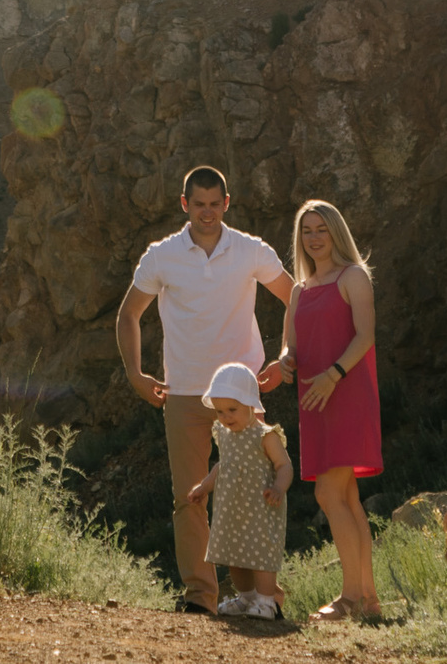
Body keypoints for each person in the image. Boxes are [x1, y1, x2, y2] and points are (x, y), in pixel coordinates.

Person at [116, 164, 292, 616]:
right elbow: (128, 314)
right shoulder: (161, 255)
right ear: (184, 205)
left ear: (226, 204)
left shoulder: (251, 250)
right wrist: (136, 374)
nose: (208, 213)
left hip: (241, 395)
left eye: (216, 204)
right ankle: (200, 599)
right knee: (189, 496)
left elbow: (297, 298)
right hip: (184, 392)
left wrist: (285, 357)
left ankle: (258, 599)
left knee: (250, 494)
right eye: (199, 205)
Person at [278, 198, 381, 622]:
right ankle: (369, 601)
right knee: (348, 499)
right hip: (313, 401)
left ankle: (350, 599)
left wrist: (333, 374)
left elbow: (365, 336)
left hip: (346, 392)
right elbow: (290, 344)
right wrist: (285, 361)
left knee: (327, 493)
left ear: (336, 232)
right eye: (307, 231)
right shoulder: (299, 290)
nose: (314, 238)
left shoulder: (353, 277)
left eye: (321, 229)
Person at [184, 363, 291, 620]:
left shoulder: (265, 435)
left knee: (261, 554)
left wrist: (278, 487)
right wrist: (205, 485)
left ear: (251, 404)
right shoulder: (224, 433)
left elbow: (284, 465)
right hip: (232, 508)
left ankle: (268, 602)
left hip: (261, 508)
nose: (226, 416)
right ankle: (247, 598)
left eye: (232, 409)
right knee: (234, 555)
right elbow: (224, 465)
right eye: (220, 411)